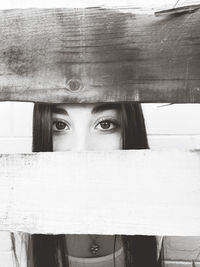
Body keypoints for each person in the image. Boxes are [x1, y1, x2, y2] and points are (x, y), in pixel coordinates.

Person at [12, 102, 161, 267]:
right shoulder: (24, 218)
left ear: (130, 129)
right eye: (60, 125)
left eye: (105, 124)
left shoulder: (156, 210)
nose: (80, 150)